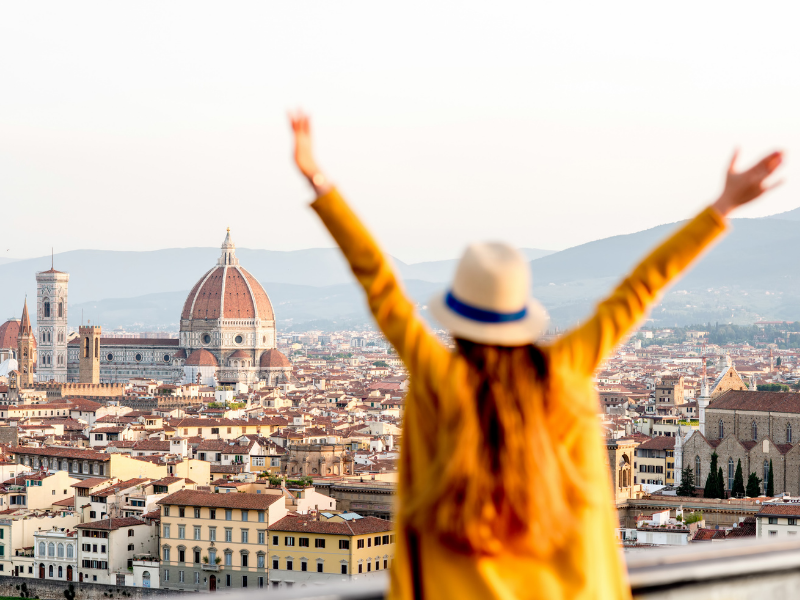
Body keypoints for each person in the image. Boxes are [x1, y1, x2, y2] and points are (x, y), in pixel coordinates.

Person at [289, 111, 783, 600]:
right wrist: (721, 207)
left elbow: (380, 285)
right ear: (520, 316)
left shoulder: (441, 376)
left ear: (458, 323)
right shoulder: (562, 370)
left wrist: (319, 181)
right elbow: (638, 290)